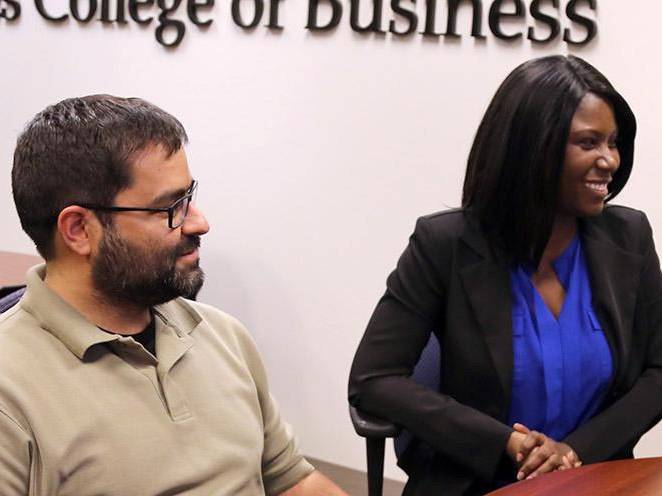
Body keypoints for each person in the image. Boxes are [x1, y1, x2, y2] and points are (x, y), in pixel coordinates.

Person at [349, 54, 662, 495]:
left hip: (596, 477)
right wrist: (508, 444)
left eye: (613, 143)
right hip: (477, 480)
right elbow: (374, 380)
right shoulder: (446, 244)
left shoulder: (629, 237)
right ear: (533, 148)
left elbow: (658, 370)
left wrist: (574, 451)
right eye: (589, 143)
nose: (609, 160)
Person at [2, 95, 346, 496]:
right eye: (171, 207)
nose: (199, 222)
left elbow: (291, 479)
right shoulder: (12, 390)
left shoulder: (222, 335)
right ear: (79, 230)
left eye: (190, 197)